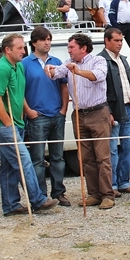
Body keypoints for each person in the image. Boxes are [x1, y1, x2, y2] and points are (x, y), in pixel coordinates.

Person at [0, 34, 58, 215]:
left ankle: (11, 205)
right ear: (7, 50)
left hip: (17, 122)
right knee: (24, 160)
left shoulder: (18, 66)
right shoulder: (1, 69)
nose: (23, 51)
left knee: (9, 166)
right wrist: (8, 123)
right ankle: (38, 199)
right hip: (1, 124)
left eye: (23, 47)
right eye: (19, 48)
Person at [45, 33, 115, 209]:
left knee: (102, 157)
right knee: (86, 158)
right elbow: (55, 73)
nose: (69, 51)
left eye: (71, 47)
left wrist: (78, 71)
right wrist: (50, 69)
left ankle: (108, 194)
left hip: (98, 113)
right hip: (79, 114)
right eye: (68, 48)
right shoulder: (69, 64)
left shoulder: (98, 61)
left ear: (83, 48)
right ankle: (94, 194)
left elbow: (97, 76)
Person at [23, 27, 69, 205]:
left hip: (57, 114)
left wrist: (64, 109)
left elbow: (64, 86)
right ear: (34, 42)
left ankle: (59, 192)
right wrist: (28, 111)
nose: (47, 42)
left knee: (58, 157)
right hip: (37, 116)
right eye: (43, 39)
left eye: (49, 39)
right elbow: (20, 91)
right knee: (38, 159)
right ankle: (40, 195)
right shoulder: (25, 64)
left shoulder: (57, 61)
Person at [98, 28, 130, 196]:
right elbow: (100, 90)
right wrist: (107, 111)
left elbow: (129, 86)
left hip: (129, 108)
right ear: (107, 41)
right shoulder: (101, 60)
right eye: (116, 40)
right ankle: (113, 185)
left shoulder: (123, 59)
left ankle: (124, 181)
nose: (120, 43)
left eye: (121, 40)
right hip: (113, 110)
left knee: (129, 146)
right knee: (112, 149)